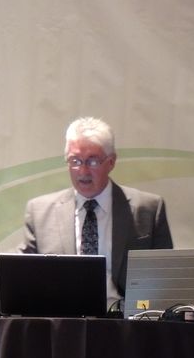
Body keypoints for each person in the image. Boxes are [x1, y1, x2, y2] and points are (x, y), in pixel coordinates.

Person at [18, 116, 172, 306]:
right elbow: (23, 280)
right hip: (63, 318)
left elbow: (166, 281)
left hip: (125, 319)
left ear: (111, 162)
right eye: (75, 161)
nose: (83, 171)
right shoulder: (39, 212)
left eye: (92, 161)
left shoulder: (148, 209)